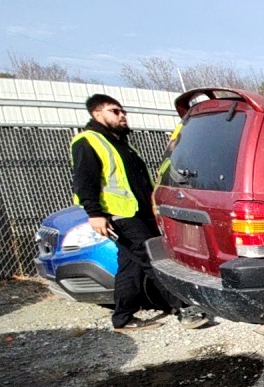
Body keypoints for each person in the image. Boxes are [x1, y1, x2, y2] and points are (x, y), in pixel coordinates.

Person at [70, 94, 209, 331]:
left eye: (122, 111)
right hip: (120, 215)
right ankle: (184, 308)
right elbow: (85, 181)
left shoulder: (121, 143)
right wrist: (95, 214)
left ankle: (122, 317)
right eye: (115, 111)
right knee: (154, 260)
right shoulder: (88, 141)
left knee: (131, 265)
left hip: (138, 212)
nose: (122, 115)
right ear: (97, 114)